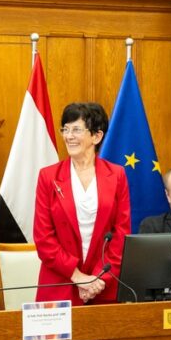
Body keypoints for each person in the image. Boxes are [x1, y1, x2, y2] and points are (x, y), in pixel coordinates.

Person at [33, 102, 130, 304]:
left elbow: (121, 234)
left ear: (96, 136)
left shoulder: (117, 175)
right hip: (59, 284)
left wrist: (97, 279)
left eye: (76, 130)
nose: (68, 136)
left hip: (103, 286)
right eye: (65, 129)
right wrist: (77, 276)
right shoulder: (48, 176)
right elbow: (43, 238)